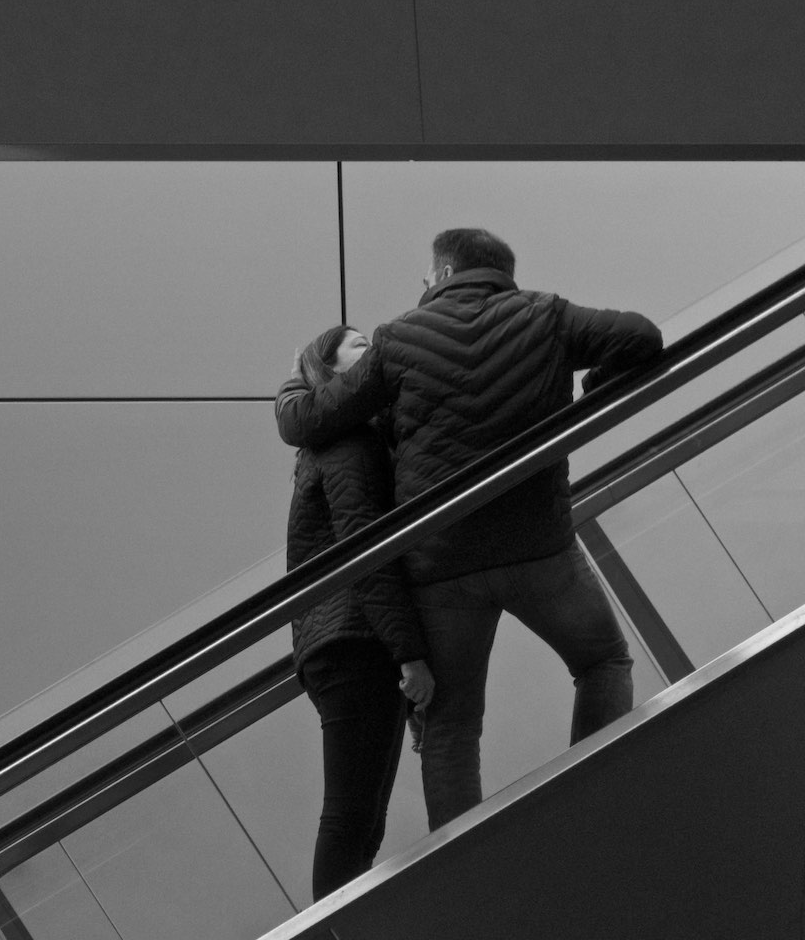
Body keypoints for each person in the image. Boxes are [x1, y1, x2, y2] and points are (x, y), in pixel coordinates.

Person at [276, 229, 664, 832]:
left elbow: (307, 420)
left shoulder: (399, 339)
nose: (424, 286)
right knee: (603, 661)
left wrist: (293, 384)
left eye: (427, 276)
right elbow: (642, 336)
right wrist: (593, 387)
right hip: (538, 545)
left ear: (446, 270)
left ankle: (466, 862)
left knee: (452, 725)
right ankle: (592, 797)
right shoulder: (545, 314)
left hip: (441, 565)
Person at [286, 323, 434, 900]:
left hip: (349, 641)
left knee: (363, 824)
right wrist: (410, 654)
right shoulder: (347, 441)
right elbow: (364, 551)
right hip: (355, 642)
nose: (373, 351)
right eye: (359, 345)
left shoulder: (350, 438)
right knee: (350, 821)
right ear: (329, 368)